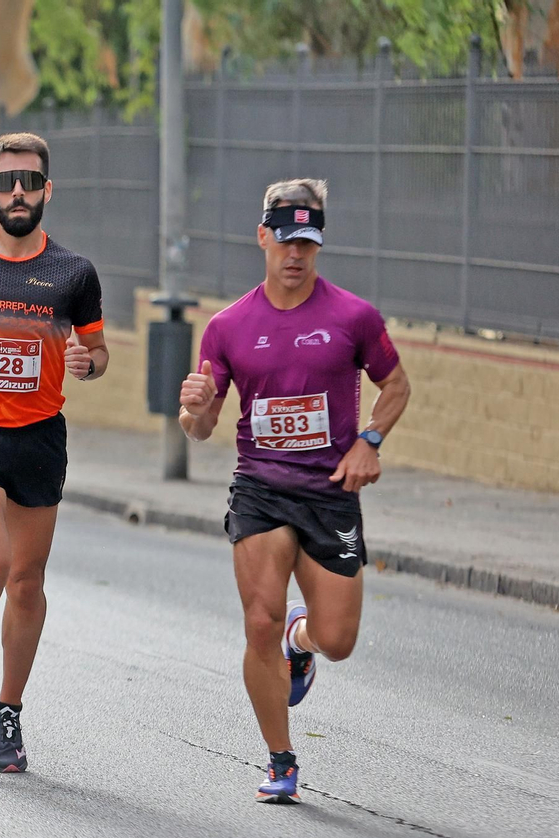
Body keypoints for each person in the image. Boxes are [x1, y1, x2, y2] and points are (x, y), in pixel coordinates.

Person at [178, 178, 412, 804]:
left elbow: (396, 387)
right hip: (259, 488)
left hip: (330, 490)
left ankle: (299, 642)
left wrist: (370, 441)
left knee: (338, 640)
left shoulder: (353, 317)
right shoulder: (228, 326)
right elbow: (201, 427)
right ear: (263, 237)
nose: (296, 255)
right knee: (259, 619)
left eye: (307, 242)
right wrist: (194, 411)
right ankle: (281, 759)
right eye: (285, 241)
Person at [0, 133, 109, 774]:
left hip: (39, 437)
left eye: (29, 181)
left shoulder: (74, 273)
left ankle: (8, 711)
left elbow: (97, 352)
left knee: (27, 581)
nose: (17, 193)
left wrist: (88, 364)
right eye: (5, 182)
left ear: (46, 189)